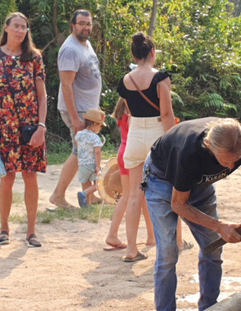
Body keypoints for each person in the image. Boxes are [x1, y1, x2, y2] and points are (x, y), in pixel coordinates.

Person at [144, 118, 241, 311]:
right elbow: (178, 204)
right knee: (167, 254)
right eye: (226, 160)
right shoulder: (189, 151)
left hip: (200, 185)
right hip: (162, 180)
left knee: (213, 248)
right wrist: (220, 226)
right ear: (209, 146)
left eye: (236, 160)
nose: (230, 167)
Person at [0, 12, 47, 248]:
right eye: (17, 26)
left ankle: (31, 231)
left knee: (30, 176)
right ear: (6, 28)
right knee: (7, 176)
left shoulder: (34, 58)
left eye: (24, 27)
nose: (21, 31)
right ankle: (4, 229)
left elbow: (42, 96)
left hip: (31, 127)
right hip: (3, 127)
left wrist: (41, 126)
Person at [117, 32, 176, 263]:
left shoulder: (125, 80)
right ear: (153, 53)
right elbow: (166, 113)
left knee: (134, 195)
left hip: (134, 135)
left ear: (134, 54)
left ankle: (131, 249)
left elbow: (130, 112)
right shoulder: (160, 78)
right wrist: (173, 140)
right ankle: (170, 244)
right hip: (156, 134)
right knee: (166, 192)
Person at [49, 10, 102, 209]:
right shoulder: (70, 49)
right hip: (77, 110)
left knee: (85, 152)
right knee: (80, 151)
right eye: (81, 23)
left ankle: (88, 196)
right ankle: (57, 195)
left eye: (89, 24)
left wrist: (95, 109)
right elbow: (66, 85)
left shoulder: (85, 44)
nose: (86, 27)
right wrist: (75, 118)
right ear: (72, 25)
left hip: (87, 109)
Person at [104, 99, 155, 251]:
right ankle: (150, 236)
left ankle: (115, 234)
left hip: (123, 151)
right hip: (133, 154)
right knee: (138, 195)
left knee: (129, 195)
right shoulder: (134, 114)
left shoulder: (122, 113)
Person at [75, 109, 105, 208]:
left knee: (85, 183)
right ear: (95, 124)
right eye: (100, 126)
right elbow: (97, 152)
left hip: (82, 164)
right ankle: (84, 194)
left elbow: (77, 143)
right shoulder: (95, 137)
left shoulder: (79, 134)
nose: (100, 128)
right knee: (98, 185)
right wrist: (98, 165)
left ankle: (87, 204)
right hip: (92, 164)